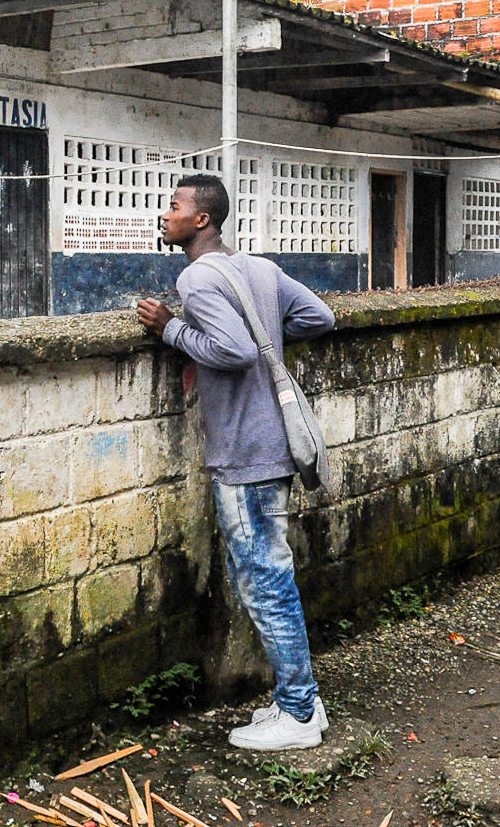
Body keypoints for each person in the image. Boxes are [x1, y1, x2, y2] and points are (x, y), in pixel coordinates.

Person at [136, 173, 336, 751]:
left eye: (173, 206)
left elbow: (233, 350)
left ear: (201, 220)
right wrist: (271, 340)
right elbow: (318, 317)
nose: (164, 214)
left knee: (265, 582)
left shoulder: (196, 278)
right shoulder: (261, 269)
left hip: (245, 452)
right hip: (277, 441)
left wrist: (170, 328)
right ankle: (304, 703)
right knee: (273, 575)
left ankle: (298, 714)